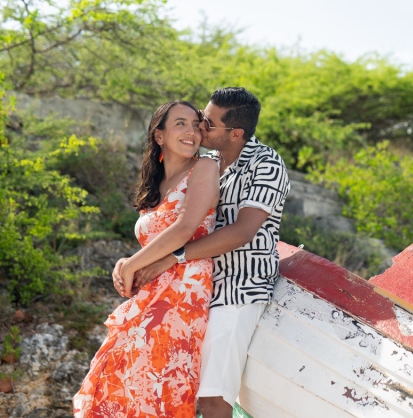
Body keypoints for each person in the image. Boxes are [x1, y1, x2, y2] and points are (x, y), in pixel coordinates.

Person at [115, 87, 291, 418]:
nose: (199, 129)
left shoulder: (266, 163)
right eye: (199, 121)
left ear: (236, 133)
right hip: (193, 291)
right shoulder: (206, 162)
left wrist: (174, 256)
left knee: (211, 399)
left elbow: (242, 232)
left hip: (236, 290)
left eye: (207, 123)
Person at [73, 100, 220, 417]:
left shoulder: (205, 167)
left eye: (196, 124)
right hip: (151, 289)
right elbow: (154, 241)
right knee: (119, 375)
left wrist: (132, 264)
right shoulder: (156, 185)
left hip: (184, 289)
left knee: (153, 381)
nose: (191, 131)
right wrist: (126, 262)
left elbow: (183, 229)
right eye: (180, 123)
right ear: (159, 135)